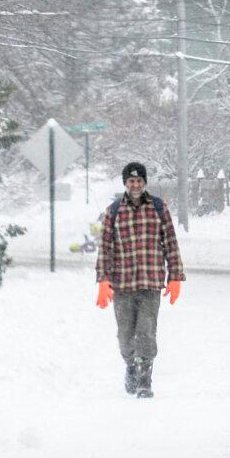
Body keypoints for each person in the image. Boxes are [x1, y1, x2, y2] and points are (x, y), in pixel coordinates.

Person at [95, 161, 186, 399]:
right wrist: (103, 280)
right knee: (125, 335)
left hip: (150, 282)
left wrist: (175, 276)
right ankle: (130, 367)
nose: (135, 185)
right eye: (131, 181)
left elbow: (171, 243)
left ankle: (145, 379)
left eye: (139, 181)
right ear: (125, 184)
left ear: (144, 183)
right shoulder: (113, 211)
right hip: (122, 284)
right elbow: (105, 248)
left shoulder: (158, 207)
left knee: (146, 332)